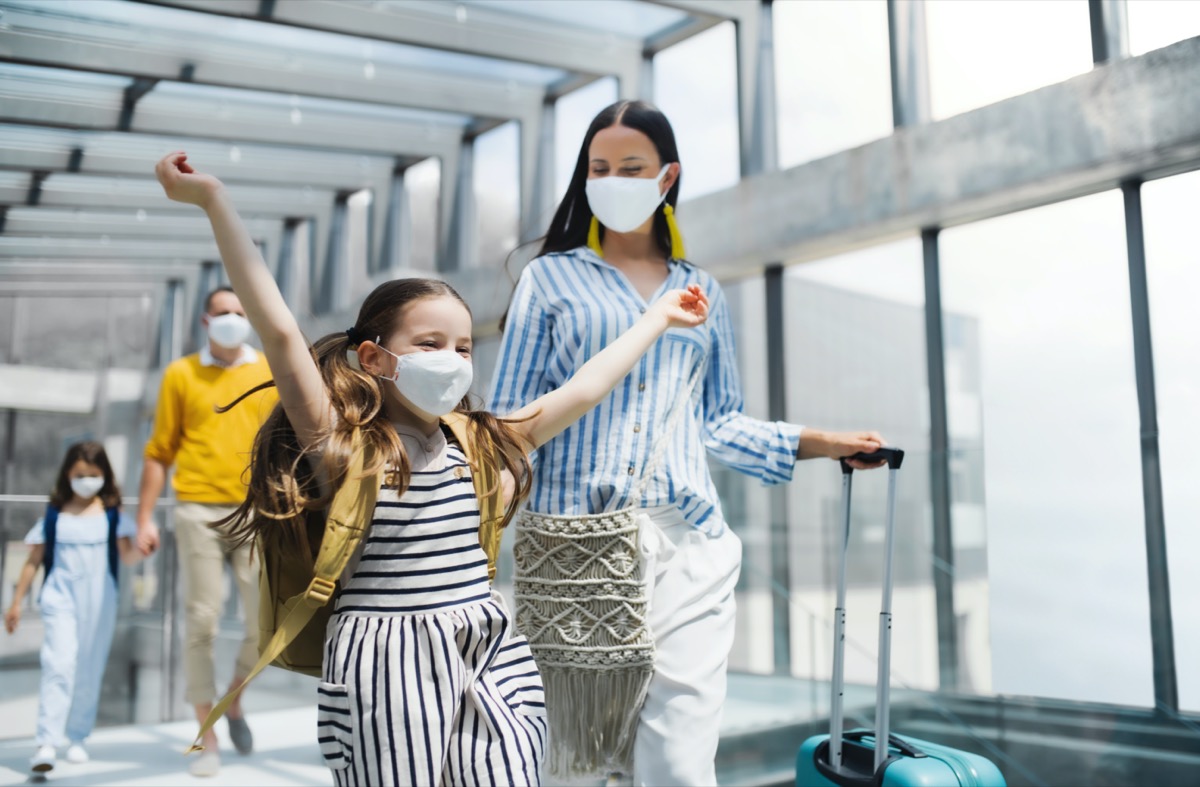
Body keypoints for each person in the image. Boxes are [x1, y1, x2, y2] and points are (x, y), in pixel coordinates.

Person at [152, 149, 711, 787]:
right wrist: (214, 200)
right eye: (429, 344)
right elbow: (278, 331)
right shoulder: (342, 446)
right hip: (386, 657)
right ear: (374, 357)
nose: (453, 359)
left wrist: (658, 319)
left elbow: (581, 390)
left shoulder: (480, 443)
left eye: (464, 346)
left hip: (485, 641)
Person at [487, 99, 888, 786]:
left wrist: (823, 441)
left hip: (691, 544)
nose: (613, 180)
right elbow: (506, 426)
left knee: (678, 761)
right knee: (578, 760)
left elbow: (720, 420)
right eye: (599, 168)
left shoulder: (700, 290)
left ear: (666, 177)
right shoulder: (548, 279)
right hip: (578, 548)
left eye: (631, 167)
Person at [134, 283, 277, 777]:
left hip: (255, 510)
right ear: (204, 321)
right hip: (196, 508)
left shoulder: (268, 371)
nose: (233, 318)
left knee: (265, 626)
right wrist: (143, 518)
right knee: (202, 621)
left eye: (241, 311)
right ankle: (206, 733)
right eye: (223, 312)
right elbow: (159, 452)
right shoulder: (181, 373)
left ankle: (231, 702)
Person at [4, 441, 146, 774]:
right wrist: (15, 603)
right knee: (59, 663)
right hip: (59, 599)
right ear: (68, 474)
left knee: (89, 668)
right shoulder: (55, 514)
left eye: (93, 475)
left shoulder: (113, 515)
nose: (86, 480)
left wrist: (144, 548)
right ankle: (47, 742)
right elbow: (33, 561)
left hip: (100, 601)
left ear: (104, 475)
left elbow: (128, 556)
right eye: (80, 474)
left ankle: (78, 736)